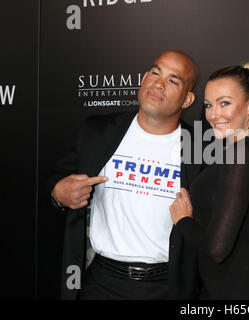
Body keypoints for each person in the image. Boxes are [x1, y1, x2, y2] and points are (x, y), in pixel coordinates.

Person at [47, 50, 202, 300]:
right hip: (102, 284)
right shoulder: (98, 131)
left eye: (173, 81)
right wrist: (59, 192)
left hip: (167, 288)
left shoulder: (203, 148)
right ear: (143, 78)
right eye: (155, 72)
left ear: (187, 99)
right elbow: (56, 179)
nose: (158, 84)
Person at [169, 63, 249, 299]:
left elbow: (217, 249)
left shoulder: (245, 152)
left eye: (224, 103)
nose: (213, 114)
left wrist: (183, 220)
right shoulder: (242, 149)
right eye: (208, 104)